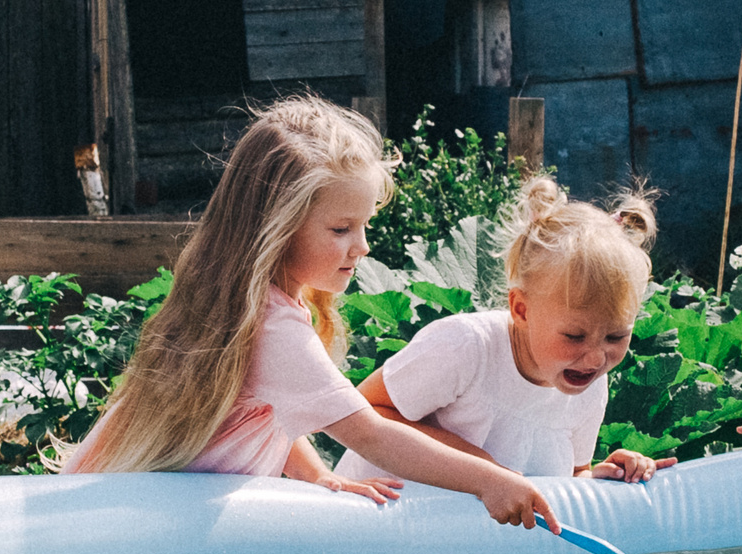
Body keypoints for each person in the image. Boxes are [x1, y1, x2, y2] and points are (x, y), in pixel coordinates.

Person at [63, 97, 557, 530]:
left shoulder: (241, 305)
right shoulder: (271, 327)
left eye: (363, 225)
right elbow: (371, 435)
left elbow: (272, 407)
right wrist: (489, 481)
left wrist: (318, 476)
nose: (361, 247)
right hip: (126, 524)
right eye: (341, 229)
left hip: (127, 503)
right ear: (276, 228)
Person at [341, 176, 671, 486]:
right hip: (378, 520)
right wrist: (482, 469)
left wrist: (602, 478)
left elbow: (573, 474)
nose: (597, 357)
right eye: (574, 336)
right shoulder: (466, 346)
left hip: (471, 541)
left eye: (616, 336)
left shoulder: (590, 388)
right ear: (521, 310)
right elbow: (365, 411)